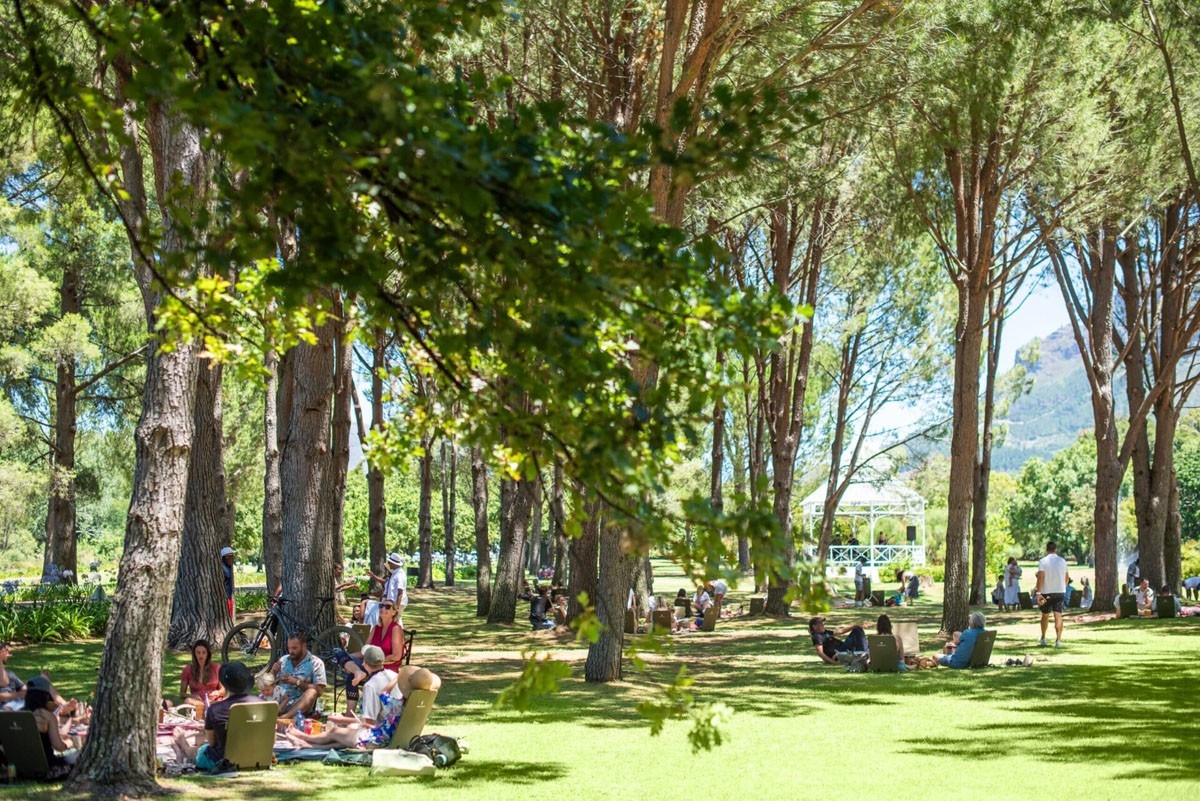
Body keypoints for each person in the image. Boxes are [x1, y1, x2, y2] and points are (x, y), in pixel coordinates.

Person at [285, 664, 441, 750]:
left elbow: (383, 692)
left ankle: (303, 737)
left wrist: (397, 678)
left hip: (377, 740)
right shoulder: (417, 705)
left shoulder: (397, 705)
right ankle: (306, 745)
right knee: (341, 739)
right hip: (389, 738)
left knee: (334, 731)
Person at [337, 599, 406, 712]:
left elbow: (396, 656)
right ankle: (358, 673)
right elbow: (365, 650)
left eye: (387, 607)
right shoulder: (376, 628)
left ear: (394, 612)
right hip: (368, 665)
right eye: (381, 606)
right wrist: (349, 655)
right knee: (338, 652)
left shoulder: (395, 629)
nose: (383, 608)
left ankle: (350, 713)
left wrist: (375, 662)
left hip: (385, 667)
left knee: (351, 677)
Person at [195, 661, 255, 773]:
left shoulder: (215, 709)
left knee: (202, 750)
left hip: (223, 761)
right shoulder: (263, 704)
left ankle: (181, 748)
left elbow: (212, 743)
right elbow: (273, 738)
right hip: (256, 756)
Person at [22, 676, 77, 778]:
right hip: (48, 766)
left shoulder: (20, 715)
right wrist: (68, 743)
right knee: (79, 757)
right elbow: (58, 746)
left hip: (23, 767)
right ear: (45, 696)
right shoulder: (47, 716)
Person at [271, 635, 327, 719]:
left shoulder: (316, 663)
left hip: (298, 705)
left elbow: (319, 691)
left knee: (312, 692)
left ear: (303, 646)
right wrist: (273, 672)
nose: (291, 651)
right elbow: (268, 685)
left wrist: (296, 682)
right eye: (289, 648)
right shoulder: (283, 660)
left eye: (294, 648)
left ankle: (284, 718)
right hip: (279, 702)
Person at [1033, 540, 1069, 647]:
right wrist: (1063, 587)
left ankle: (1043, 637)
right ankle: (1058, 640)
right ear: (1056, 549)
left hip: (1046, 592)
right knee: (1058, 615)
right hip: (1059, 591)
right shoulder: (1062, 561)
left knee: (1045, 615)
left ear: (1046, 550)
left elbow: (1041, 577)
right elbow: (1067, 578)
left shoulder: (1043, 561)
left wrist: (1038, 592)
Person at [179, 639, 224, 715]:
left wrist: (217, 692)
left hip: (213, 699)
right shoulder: (188, 669)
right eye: (198, 652)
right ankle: (204, 709)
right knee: (188, 701)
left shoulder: (216, 667)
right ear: (194, 654)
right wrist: (192, 695)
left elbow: (224, 690)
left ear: (208, 654)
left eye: (204, 652)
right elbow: (182, 694)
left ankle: (204, 709)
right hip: (197, 701)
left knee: (223, 701)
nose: (201, 655)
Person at [0, 640, 27, 710]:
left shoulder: (10, 674)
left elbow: (25, 689)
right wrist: (18, 694)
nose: (9, 654)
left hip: (18, 705)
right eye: (6, 650)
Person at [220, 545, 236, 620]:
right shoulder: (222, 568)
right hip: (225, 598)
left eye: (233, 556)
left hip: (229, 597)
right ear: (225, 557)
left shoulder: (228, 567)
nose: (232, 558)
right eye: (230, 556)